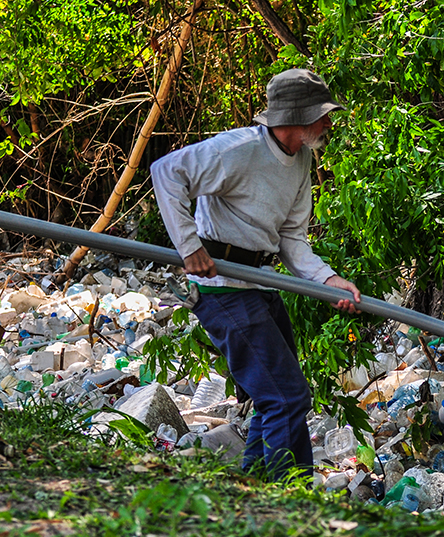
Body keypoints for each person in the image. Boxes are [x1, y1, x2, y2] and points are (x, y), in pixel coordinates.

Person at [150, 68, 361, 480]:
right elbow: (166, 172)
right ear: (298, 117)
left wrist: (327, 280)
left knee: (277, 397)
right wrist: (190, 246)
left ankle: (255, 485)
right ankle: (288, 493)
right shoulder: (238, 148)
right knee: (286, 397)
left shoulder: (301, 160)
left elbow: (292, 238)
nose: (329, 124)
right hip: (222, 288)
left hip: (261, 283)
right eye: (323, 115)